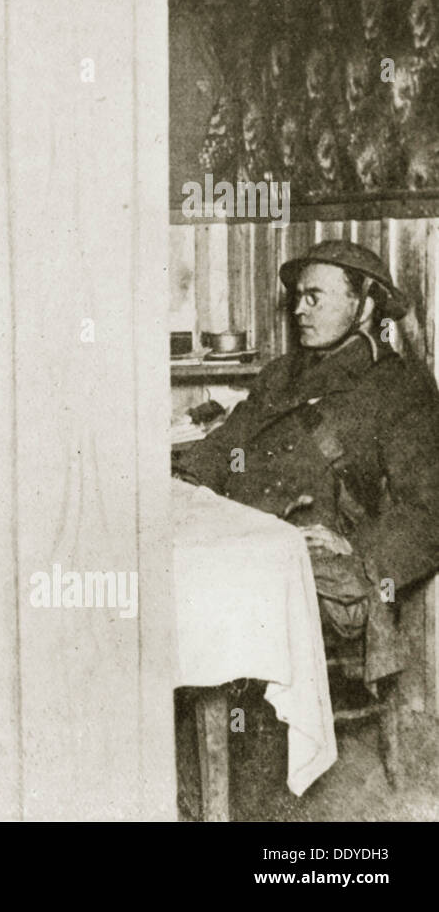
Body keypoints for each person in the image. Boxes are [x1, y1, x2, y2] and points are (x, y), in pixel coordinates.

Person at [174, 240, 439, 690]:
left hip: (307, 564)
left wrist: (358, 549)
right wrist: (183, 484)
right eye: (297, 297)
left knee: (197, 612)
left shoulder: (400, 388)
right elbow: (226, 445)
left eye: (314, 297)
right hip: (246, 538)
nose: (299, 309)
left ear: (365, 305)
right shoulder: (281, 374)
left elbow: (427, 509)